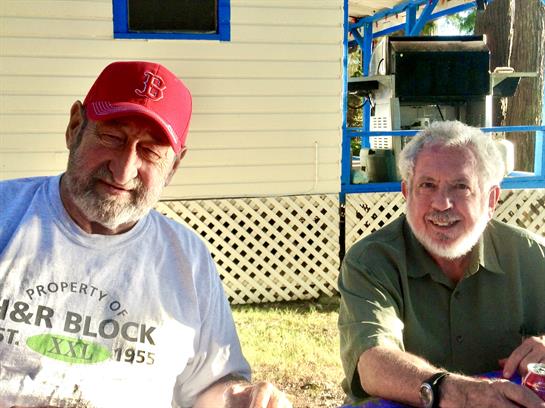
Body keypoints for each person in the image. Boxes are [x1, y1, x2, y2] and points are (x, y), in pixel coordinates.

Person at [0, 61, 291, 408]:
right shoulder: (8, 215)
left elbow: (208, 387)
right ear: (75, 127)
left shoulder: (188, 259)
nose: (123, 171)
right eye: (112, 137)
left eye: (150, 151)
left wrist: (243, 399)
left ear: (174, 166)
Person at [338, 121, 545, 407]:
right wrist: (458, 392)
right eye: (427, 185)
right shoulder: (371, 261)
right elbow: (373, 363)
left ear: (491, 199)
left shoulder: (534, 255)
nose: (442, 203)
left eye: (461, 186)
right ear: (406, 193)